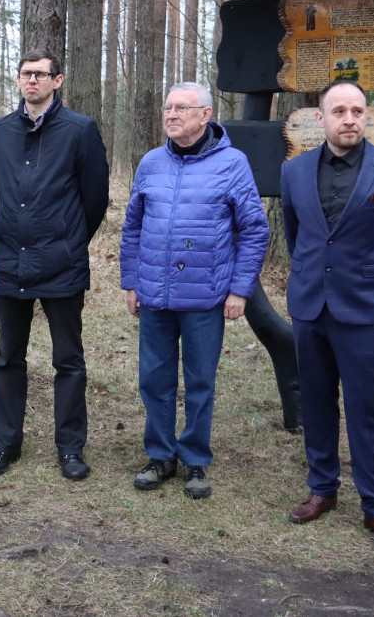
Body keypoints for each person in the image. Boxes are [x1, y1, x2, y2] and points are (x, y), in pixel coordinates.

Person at [281, 80, 374, 552]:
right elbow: (297, 232)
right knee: (317, 401)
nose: (350, 119)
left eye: (358, 111)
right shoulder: (295, 171)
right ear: (319, 118)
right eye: (339, 110)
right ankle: (322, 489)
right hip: (309, 305)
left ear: (366, 117)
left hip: (365, 309)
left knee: (367, 408)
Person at [120, 82, 269, 499]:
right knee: (154, 377)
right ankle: (160, 455)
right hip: (154, 294)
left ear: (205, 115)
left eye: (181, 108)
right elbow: (132, 226)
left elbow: (255, 230)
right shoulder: (150, 163)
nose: (171, 114)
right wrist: (131, 281)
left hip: (206, 295)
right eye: (167, 107)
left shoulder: (233, 163)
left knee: (199, 380)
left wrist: (240, 289)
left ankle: (196, 460)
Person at [0, 48, 109, 481]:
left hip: (62, 263)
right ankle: (5, 445)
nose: (31, 81)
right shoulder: (0, 131)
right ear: (17, 81)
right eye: (24, 74)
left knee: (68, 360)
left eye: (40, 74)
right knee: (7, 359)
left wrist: (68, 240)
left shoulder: (80, 130)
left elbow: (95, 200)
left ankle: (70, 448)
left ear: (58, 81)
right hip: (10, 262)